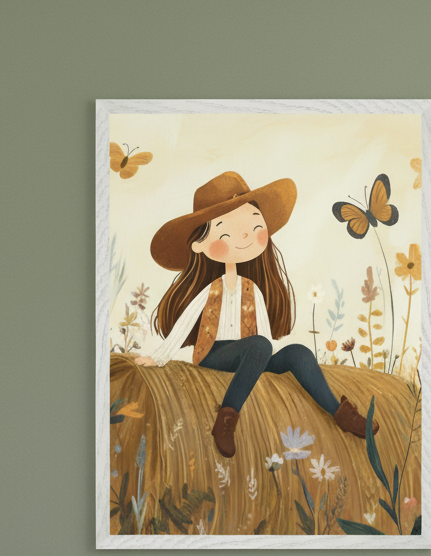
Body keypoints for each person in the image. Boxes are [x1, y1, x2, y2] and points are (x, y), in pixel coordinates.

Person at [141, 171, 377, 458]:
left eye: (253, 226)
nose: (244, 237)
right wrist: (159, 357)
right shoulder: (211, 290)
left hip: (251, 353)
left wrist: (265, 357)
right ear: (200, 244)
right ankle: (226, 421)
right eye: (226, 232)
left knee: (298, 352)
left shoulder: (252, 288)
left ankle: (342, 416)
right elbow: (187, 321)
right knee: (260, 345)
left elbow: (263, 332)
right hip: (214, 353)